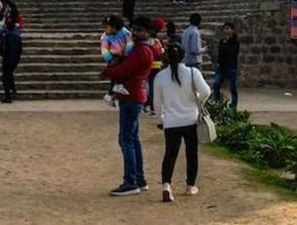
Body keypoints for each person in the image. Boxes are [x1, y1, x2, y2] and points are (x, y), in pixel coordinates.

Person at [100, 15, 155, 197]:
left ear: (148, 32)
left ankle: (130, 181)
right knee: (133, 138)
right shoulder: (141, 48)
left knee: (126, 140)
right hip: (133, 95)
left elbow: (126, 70)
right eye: (135, 29)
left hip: (131, 96)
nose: (136, 33)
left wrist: (107, 72)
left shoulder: (142, 50)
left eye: (140, 30)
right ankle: (139, 179)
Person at [154, 40, 211, 203]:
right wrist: (198, 100)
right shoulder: (192, 73)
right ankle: (190, 185)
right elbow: (206, 91)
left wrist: (161, 120)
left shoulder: (160, 77)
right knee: (191, 153)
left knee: (170, 155)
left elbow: (157, 104)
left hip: (171, 122)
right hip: (190, 119)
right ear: (182, 56)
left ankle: (166, 185)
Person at [100, 14, 134, 106]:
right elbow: (104, 48)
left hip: (123, 56)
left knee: (118, 74)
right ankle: (115, 89)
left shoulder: (125, 33)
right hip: (114, 57)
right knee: (117, 74)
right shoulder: (106, 37)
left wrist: (127, 52)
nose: (105, 30)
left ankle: (110, 93)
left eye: (107, 27)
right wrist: (109, 58)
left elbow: (130, 42)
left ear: (114, 27)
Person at [213, 21, 240, 109]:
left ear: (232, 30)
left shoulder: (235, 42)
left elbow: (232, 53)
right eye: (225, 28)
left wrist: (228, 41)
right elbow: (220, 53)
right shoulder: (222, 42)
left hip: (231, 67)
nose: (226, 31)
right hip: (222, 67)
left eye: (228, 28)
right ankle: (217, 103)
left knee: (233, 88)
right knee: (216, 84)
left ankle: (233, 106)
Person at [0, 11, 24, 102]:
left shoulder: (5, 35)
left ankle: (8, 96)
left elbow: (3, 48)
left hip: (7, 58)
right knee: (9, 73)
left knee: (6, 76)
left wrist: (3, 55)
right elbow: (20, 49)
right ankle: (13, 90)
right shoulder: (17, 37)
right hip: (15, 59)